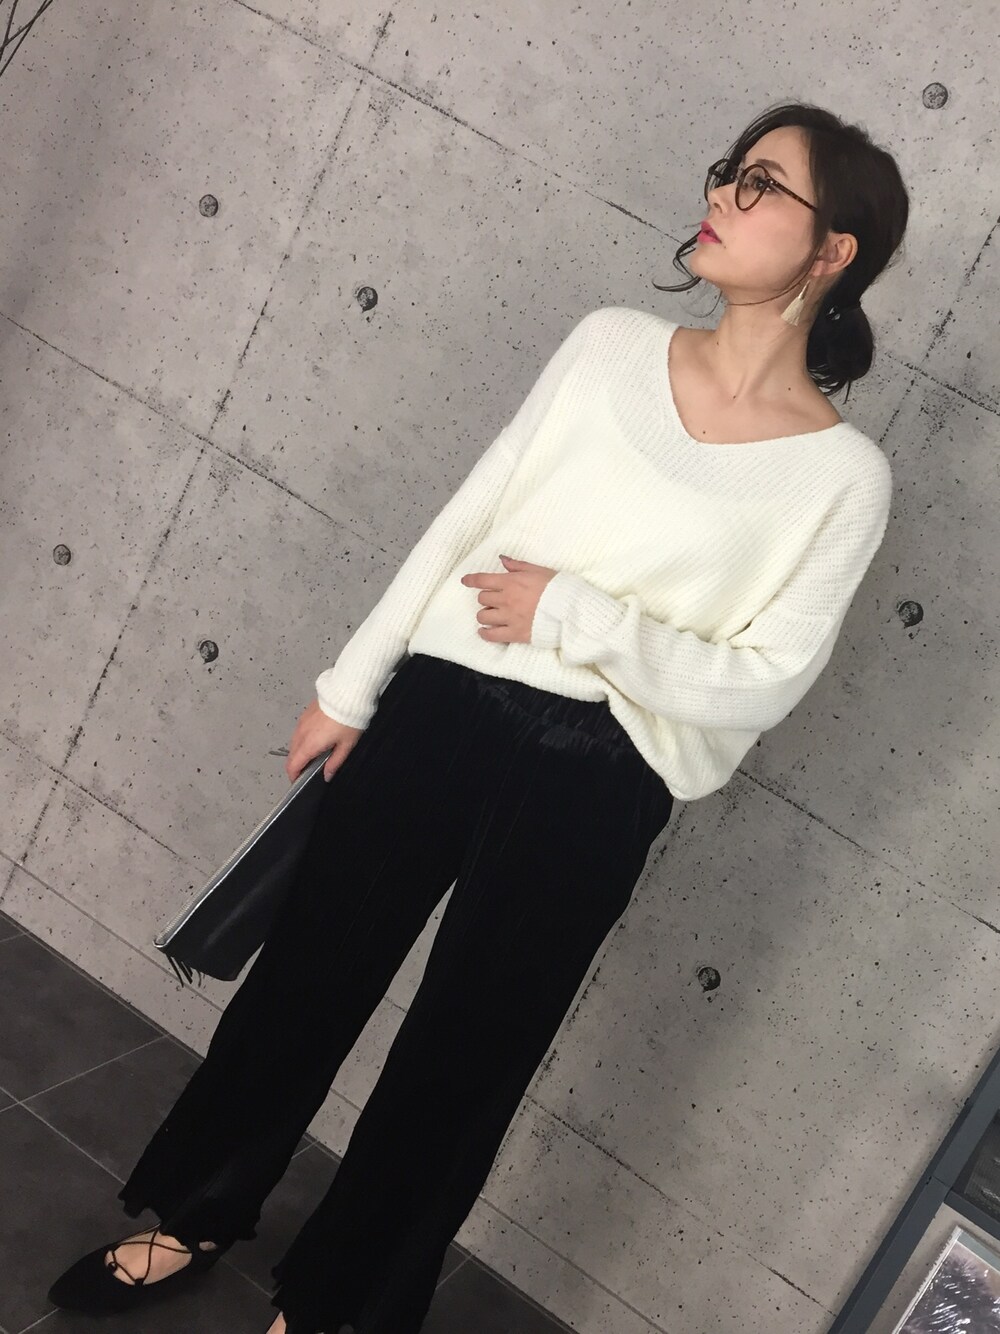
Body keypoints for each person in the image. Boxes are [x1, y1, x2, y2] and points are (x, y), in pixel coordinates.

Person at [47, 99, 909, 1334]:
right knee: (306, 979)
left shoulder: (840, 478)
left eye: (759, 183)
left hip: (602, 774)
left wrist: (576, 614)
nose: (720, 193)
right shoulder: (609, 345)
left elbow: (764, 679)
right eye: (728, 169)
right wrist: (350, 685)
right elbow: (469, 513)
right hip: (441, 708)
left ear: (833, 250)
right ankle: (193, 1207)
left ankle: (337, 1301)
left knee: (464, 1059)